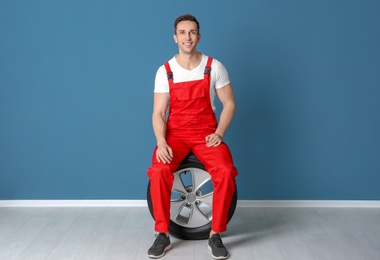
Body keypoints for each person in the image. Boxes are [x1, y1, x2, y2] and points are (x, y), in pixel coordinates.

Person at [147, 14, 238, 259]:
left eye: (192, 32)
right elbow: (158, 113)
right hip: (174, 133)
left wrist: (219, 133)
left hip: (206, 133)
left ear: (199, 36)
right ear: (175, 37)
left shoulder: (214, 66)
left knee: (226, 171)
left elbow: (229, 103)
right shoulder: (165, 71)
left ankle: (215, 234)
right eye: (183, 32)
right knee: (158, 171)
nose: (188, 37)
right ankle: (162, 234)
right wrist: (161, 141)